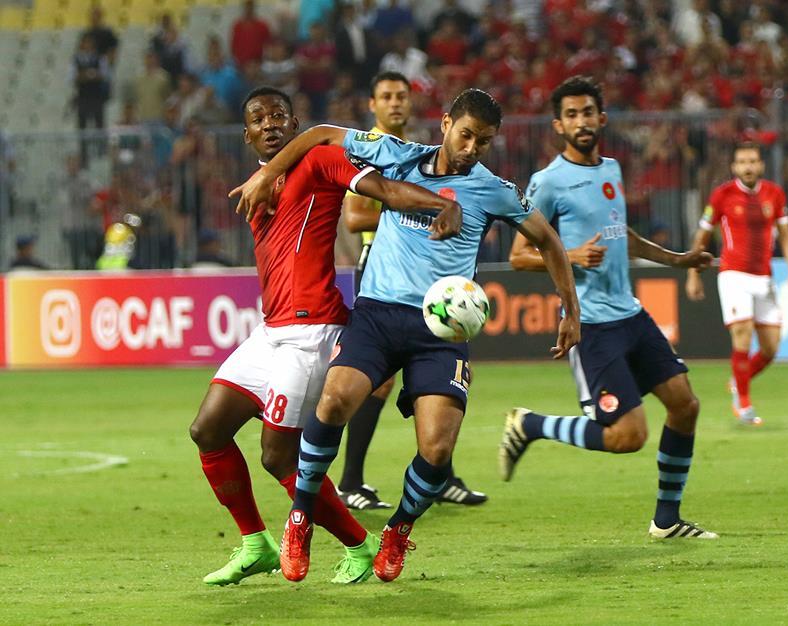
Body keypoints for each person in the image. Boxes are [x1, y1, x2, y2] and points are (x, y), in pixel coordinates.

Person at [231, 88, 580, 583]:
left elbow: (547, 240)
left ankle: (397, 530)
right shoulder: (397, 154)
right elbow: (321, 134)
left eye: (483, 142)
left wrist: (571, 310)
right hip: (377, 316)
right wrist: (268, 174)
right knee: (334, 402)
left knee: (437, 450)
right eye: (465, 135)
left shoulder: (494, 189)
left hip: (440, 332)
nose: (471, 149)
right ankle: (300, 518)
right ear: (445, 124)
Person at [189, 86, 462, 586]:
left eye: (279, 116)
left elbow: (383, 190)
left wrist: (441, 203)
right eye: (258, 119)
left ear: (295, 126)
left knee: (277, 455)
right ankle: (255, 544)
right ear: (246, 134)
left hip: (313, 330)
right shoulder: (257, 182)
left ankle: (359, 545)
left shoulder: (320, 161)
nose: (270, 124)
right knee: (207, 429)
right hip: (271, 330)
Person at [502, 76, 717, 541]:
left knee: (685, 405)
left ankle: (666, 520)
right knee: (627, 436)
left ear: (601, 118)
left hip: (631, 314)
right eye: (571, 115)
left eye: (588, 112)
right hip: (592, 325)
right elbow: (519, 255)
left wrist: (677, 259)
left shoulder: (612, 169)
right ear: (558, 126)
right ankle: (531, 425)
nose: (581, 122)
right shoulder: (548, 182)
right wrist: (572, 256)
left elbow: (624, 235)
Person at [337, 71, 487, 511]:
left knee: (443, 370)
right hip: (382, 271)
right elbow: (354, 218)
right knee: (381, 381)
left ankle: (442, 476)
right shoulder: (375, 151)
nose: (395, 103)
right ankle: (350, 480)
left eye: (401, 95)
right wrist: (408, 207)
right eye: (386, 96)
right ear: (372, 104)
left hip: (430, 277)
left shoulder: (419, 152)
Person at [685, 142, 788, 426]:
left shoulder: (774, 194)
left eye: (752, 161)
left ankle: (739, 379)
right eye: (742, 162)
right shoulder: (722, 195)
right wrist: (693, 274)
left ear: (761, 165)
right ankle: (744, 405)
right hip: (733, 274)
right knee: (742, 332)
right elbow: (702, 236)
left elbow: (786, 235)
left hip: (764, 278)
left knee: (771, 348)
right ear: (734, 167)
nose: (748, 167)